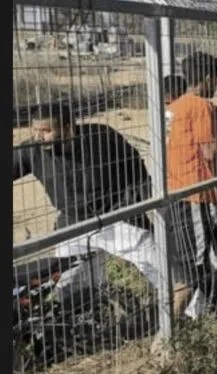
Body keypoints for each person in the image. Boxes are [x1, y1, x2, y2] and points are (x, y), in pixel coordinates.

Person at [13, 102, 156, 297]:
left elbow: (133, 164)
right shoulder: (32, 149)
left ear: (68, 128)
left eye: (46, 130)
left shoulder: (102, 136)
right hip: (73, 224)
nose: (39, 136)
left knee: (161, 267)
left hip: (117, 216)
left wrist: (140, 200)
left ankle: (195, 314)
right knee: (68, 288)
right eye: (35, 130)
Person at [166, 51, 217, 321]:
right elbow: (210, 152)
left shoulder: (175, 106)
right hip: (196, 191)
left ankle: (203, 310)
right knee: (196, 261)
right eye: (216, 78)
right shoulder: (201, 107)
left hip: (175, 188)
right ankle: (169, 327)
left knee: (191, 258)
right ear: (209, 78)